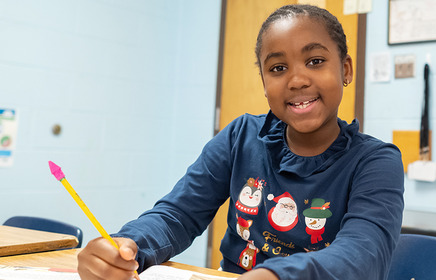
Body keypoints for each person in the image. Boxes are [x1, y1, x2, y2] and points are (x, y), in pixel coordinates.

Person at [77, 4, 404, 280]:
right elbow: (177, 215)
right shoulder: (240, 137)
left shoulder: (376, 162)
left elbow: (364, 253)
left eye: (315, 61)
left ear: (345, 69)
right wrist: (126, 246)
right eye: (278, 68)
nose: (298, 79)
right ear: (264, 84)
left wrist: (276, 275)